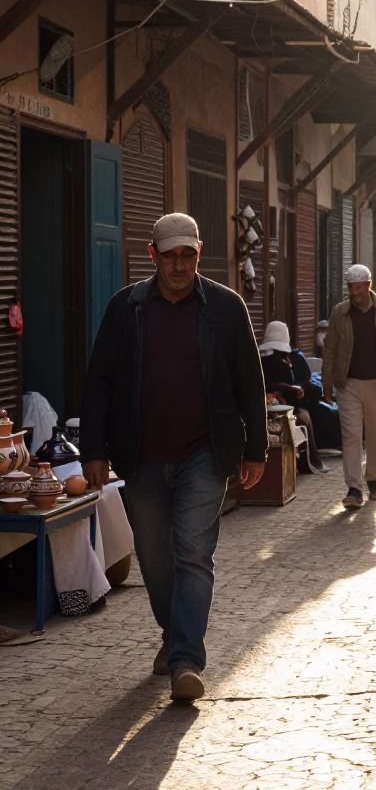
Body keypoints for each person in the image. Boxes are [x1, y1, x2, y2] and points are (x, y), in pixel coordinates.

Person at [80, 212, 267, 702]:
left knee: (193, 552)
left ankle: (186, 658)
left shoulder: (227, 308)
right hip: (140, 457)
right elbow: (99, 382)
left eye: (188, 255)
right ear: (153, 256)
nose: (180, 265)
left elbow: (250, 381)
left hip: (204, 453)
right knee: (155, 558)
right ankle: (173, 632)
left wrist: (256, 449)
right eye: (170, 256)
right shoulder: (128, 309)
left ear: (199, 253)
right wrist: (94, 450)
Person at [321, 264, 376, 510]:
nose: (355, 295)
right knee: (350, 435)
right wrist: (327, 381)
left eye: (359, 290)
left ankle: (373, 479)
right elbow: (330, 349)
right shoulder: (339, 313)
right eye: (351, 290)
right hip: (348, 384)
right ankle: (354, 487)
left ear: (369, 286)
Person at [259, 321, 326, 473]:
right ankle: (311, 460)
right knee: (305, 416)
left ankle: (309, 459)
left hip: (272, 406)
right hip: (279, 407)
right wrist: (293, 390)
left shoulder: (263, 359)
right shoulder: (280, 362)